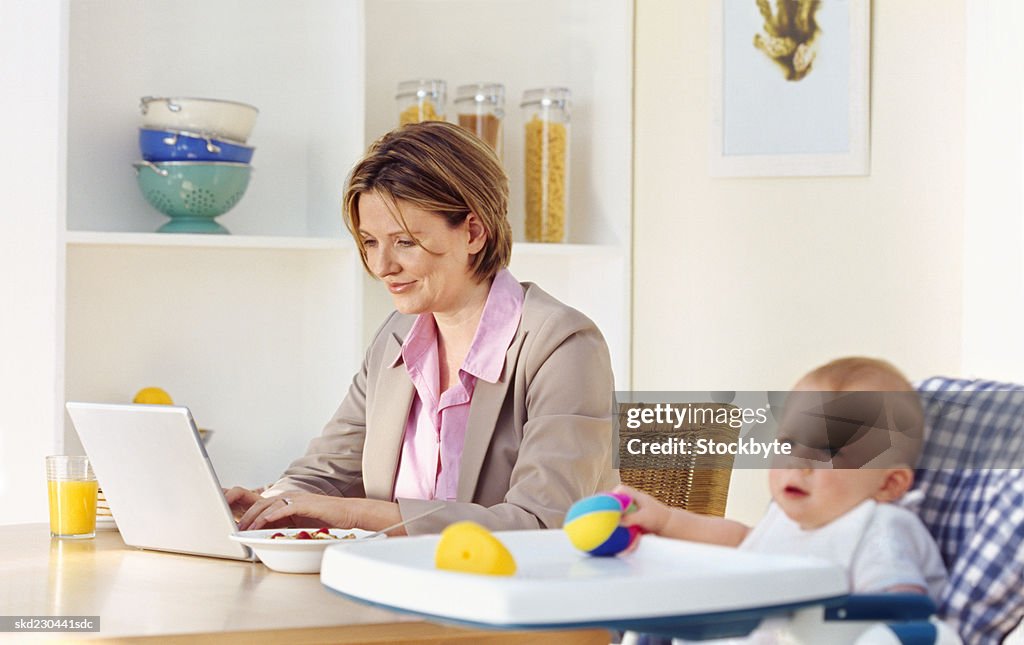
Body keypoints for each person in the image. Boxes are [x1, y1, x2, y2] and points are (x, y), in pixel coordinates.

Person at [227, 121, 618, 535]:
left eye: (405, 242)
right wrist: (269, 504)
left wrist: (355, 514)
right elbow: (325, 473)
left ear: (473, 232)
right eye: (370, 242)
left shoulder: (563, 346)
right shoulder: (395, 339)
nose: (381, 267)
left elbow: (539, 524)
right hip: (400, 588)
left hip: (519, 594)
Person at [616, 357, 947, 601]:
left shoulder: (879, 526)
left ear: (888, 485)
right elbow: (741, 543)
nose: (796, 463)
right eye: (788, 443)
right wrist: (666, 519)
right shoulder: (784, 518)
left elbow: (903, 605)